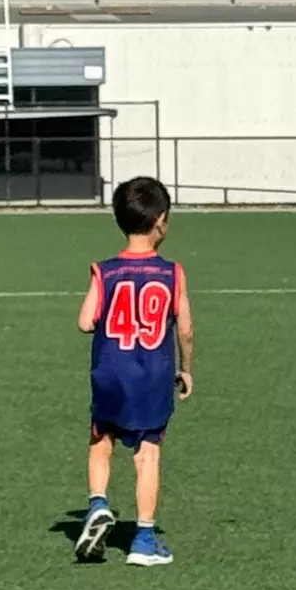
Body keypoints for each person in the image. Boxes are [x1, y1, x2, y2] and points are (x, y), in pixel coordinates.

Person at [74, 176, 195, 567]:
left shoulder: (104, 271)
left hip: (110, 372)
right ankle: (143, 540)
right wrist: (186, 369)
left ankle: (97, 504)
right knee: (148, 455)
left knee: (101, 439)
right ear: (161, 220)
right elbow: (187, 330)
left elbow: (85, 322)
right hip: (152, 377)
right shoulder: (172, 273)